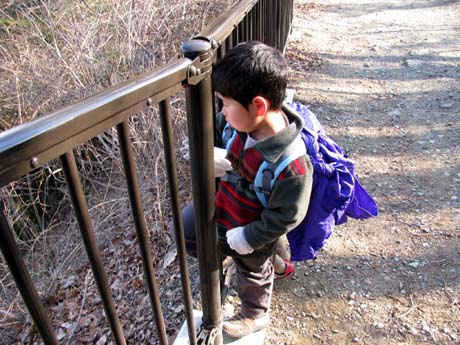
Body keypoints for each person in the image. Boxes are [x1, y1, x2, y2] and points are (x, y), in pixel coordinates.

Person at [178, 41, 313, 338]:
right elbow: (219, 133)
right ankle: (273, 260)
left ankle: (255, 313)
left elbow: (286, 216)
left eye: (225, 103)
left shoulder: (293, 167)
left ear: (259, 106)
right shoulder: (237, 124)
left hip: (256, 223)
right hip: (232, 204)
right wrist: (207, 150)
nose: (222, 111)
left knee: (252, 267)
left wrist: (250, 237)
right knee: (189, 228)